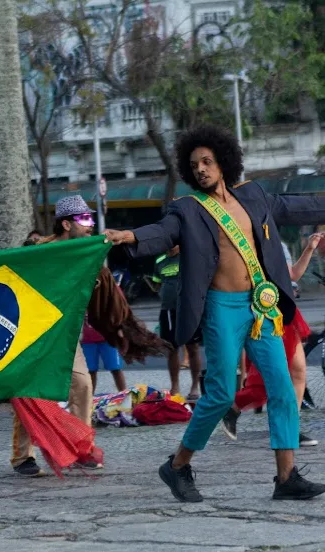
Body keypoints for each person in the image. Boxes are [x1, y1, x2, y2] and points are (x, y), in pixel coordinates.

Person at [106, 124, 325, 502]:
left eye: (207, 161)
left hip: (262, 305)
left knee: (284, 389)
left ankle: (286, 477)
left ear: (224, 162)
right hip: (222, 309)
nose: (201, 169)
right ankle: (177, 466)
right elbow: (164, 231)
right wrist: (132, 236)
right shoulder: (187, 209)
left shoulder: (254, 197)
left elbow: (295, 206)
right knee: (222, 393)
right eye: (194, 165)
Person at [11, 196, 101, 476]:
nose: (91, 225)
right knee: (30, 392)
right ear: (66, 224)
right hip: (33, 334)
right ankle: (22, 457)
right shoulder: (38, 252)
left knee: (83, 385)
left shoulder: (86, 252)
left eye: (91, 219)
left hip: (66, 335)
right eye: (84, 220)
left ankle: (81, 446)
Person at [222, 232, 324, 446]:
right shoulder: (242, 252)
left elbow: (293, 275)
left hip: (286, 315)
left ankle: (291, 429)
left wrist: (309, 248)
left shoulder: (272, 247)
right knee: (272, 379)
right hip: (264, 319)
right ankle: (234, 407)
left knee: (297, 372)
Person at [152, 246, 202, 400]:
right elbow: (156, 284)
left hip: (188, 309)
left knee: (192, 347)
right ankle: (175, 385)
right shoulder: (160, 260)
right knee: (171, 348)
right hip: (167, 310)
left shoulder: (188, 257)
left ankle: (195, 386)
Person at [81, 314, 126, 393]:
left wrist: (119, 328)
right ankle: (89, 398)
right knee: (90, 370)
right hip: (87, 341)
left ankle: (124, 394)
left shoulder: (103, 302)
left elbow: (116, 311)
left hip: (108, 339)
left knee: (115, 368)